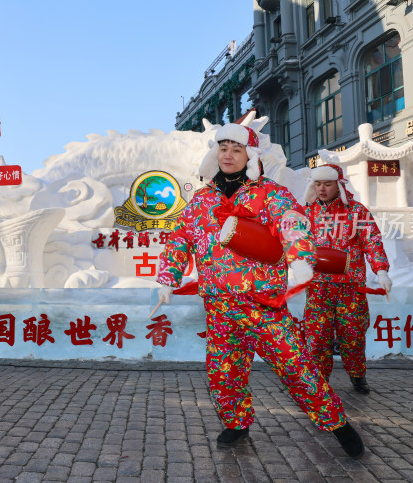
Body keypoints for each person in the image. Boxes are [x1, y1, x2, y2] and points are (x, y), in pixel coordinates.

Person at [156, 118, 364, 458]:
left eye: (236, 148)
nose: (227, 155)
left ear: (249, 154)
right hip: (220, 307)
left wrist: (299, 258)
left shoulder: (269, 193)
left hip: (263, 304)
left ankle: (337, 423)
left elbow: (293, 221)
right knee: (224, 371)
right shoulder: (201, 201)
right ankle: (236, 423)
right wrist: (168, 278)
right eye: (223, 148)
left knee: (297, 367)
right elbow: (180, 239)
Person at [302, 164, 392, 394]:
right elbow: (293, 244)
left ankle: (357, 375)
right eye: (318, 183)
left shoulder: (356, 212)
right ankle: (319, 381)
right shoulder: (306, 213)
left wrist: (381, 270)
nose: (321, 189)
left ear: (338, 185)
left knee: (352, 334)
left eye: (327, 184)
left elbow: (372, 241)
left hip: (350, 286)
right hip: (318, 286)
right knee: (317, 336)